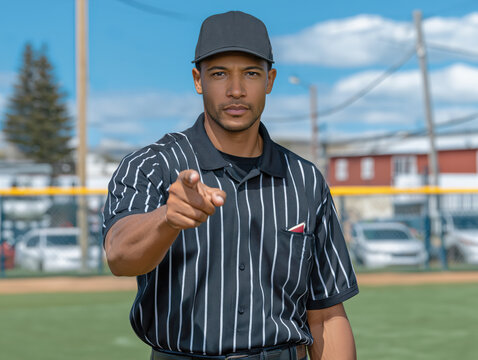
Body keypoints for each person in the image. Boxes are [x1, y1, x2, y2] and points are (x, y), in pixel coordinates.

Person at [103, 11, 358, 360]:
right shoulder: (153, 165)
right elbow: (119, 256)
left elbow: (327, 314)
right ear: (198, 79)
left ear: (269, 80)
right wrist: (168, 218)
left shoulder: (305, 179)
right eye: (219, 74)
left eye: (251, 74)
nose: (236, 90)